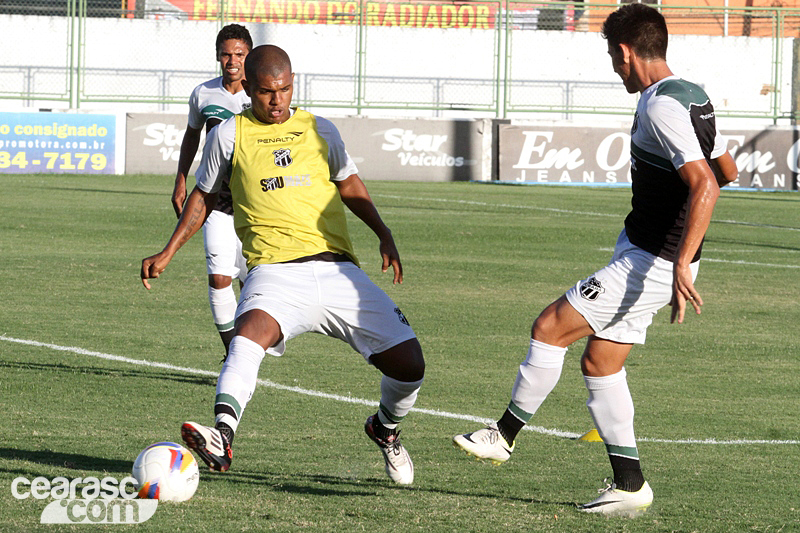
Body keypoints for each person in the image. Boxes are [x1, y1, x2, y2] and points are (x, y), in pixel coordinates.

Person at [453, 3, 738, 516]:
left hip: (653, 261)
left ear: (626, 52)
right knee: (601, 362)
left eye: (612, 56)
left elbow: (707, 185)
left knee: (549, 328)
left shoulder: (661, 107)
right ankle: (629, 485)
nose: (613, 68)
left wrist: (680, 262)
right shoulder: (691, 95)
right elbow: (728, 170)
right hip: (646, 251)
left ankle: (503, 435)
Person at [142, 45, 425, 485]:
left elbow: (349, 183)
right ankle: (222, 434)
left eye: (285, 89)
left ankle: (385, 429)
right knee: (247, 337)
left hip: (338, 270)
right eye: (266, 92)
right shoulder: (229, 135)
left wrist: (383, 232)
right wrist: (168, 251)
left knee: (410, 365)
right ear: (247, 88)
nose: (277, 101)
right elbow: (203, 196)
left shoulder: (320, 129)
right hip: (275, 272)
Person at [172, 23, 253, 359]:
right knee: (219, 279)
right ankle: (234, 355)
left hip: (255, 203)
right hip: (215, 200)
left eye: (239, 54)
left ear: (249, 55)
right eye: (226, 54)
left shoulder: (262, 95)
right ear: (218, 57)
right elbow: (192, 135)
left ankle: (249, 349)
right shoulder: (203, 93)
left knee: (252, 284)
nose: (232, 61)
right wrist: (180, 179)